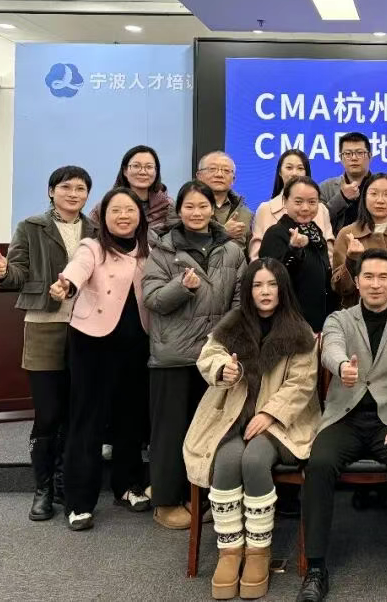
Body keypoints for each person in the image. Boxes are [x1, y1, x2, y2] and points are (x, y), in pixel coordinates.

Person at [184, 258, 320, 599]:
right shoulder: (232, 323)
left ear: (282, 289)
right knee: (227, 460)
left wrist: (270, 414)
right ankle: (230, 550)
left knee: (255, 459)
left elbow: (302, 384)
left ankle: (259, 550)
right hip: (233, 415)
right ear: (248, 290)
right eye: (258, 285)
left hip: (282, 423)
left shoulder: (299, 331)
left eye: (272, 284)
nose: (265, 291)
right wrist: (222, 369)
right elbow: (209, 355)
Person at [297, 249, 387, 602]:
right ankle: (316, 568)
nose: (375, 284)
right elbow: (330, 349)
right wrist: (342, 367)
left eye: (383, 277)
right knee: (319, 464)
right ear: (357, 281)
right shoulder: (340, 319)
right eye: (368, 276)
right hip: (345, 416)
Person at [0, 165, 96, 522]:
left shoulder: (96, 230)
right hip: (44, 325)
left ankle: (66, 483)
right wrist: (4, 272)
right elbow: (17, 274)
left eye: (80, 188)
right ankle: (43, 488)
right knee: (48, 412)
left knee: (75, 411)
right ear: (52, 191)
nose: (73, 194)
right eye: (66, 187)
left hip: (86, 327)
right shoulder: (31, 226)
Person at [142, 180, 245, 530]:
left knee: (208, 431)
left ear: (212, 209)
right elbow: (152, 300)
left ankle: (198, 497)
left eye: (203, 206)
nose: (197, 212)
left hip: (213, 356)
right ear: (179, 210)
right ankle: (166, 501)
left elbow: (239, 300)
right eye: (189, 206)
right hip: (173, 355)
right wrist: (181, 287)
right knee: (170, 432)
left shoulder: (231, 249)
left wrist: (221, 337)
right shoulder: (163, 249)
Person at [54, 188, 153, 531]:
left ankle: (127, 485)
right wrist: (66, 285)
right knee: (88, 420)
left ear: (140, 216)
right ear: (103, 217)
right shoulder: (92, 247)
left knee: (131, 418)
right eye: (116, 211)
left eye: (130, 210)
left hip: (137, 342)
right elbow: (76, 271)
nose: (123, 216)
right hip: (93, 342)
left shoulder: (149, 250)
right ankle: (79, 501)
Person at [332, 173, 387, 318]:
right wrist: (351, 260)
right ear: (364, 198)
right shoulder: (347, 234)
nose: (380, 200)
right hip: (355, 320)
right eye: (374, 194)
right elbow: (340, 288)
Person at [257, 177, 331, 333]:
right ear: (285, 201)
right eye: (298, 202)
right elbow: (273, 279)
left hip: (318, 323)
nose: (305, 208)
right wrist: (294, 250)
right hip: (289, 325)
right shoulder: (276, 233)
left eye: (312, 202)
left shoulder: (316, 233)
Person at [249, 149, 334, 260]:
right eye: (289, 168)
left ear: (306, 173)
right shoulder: (265, 209)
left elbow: (329, 256)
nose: (294, 173)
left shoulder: (321, 209)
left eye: (300, 168)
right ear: (280, 172)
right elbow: (256, 258)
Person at [90, 144, 176, 232]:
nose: (143, 172)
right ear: (125, 171)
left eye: (149, 167)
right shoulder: (105, 206)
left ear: (156, 171)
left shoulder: (168, 206)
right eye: (136, 166)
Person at [196, 151, 254, 251]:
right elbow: (182, 245)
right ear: (199, 175)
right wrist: (223, 232)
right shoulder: (185, 208)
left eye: (226, 171)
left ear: (233, 179)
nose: (219, 175)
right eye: (212, 169)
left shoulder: (246, 214)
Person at [320, 132, 374, 233]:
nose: (354, 158)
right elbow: (316, 220)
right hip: (338, 242)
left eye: (359, 153)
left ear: (370, 156)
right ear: (341, 158)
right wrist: (342, 197)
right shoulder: (326, 188)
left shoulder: (383, 186)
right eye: (348, 154)